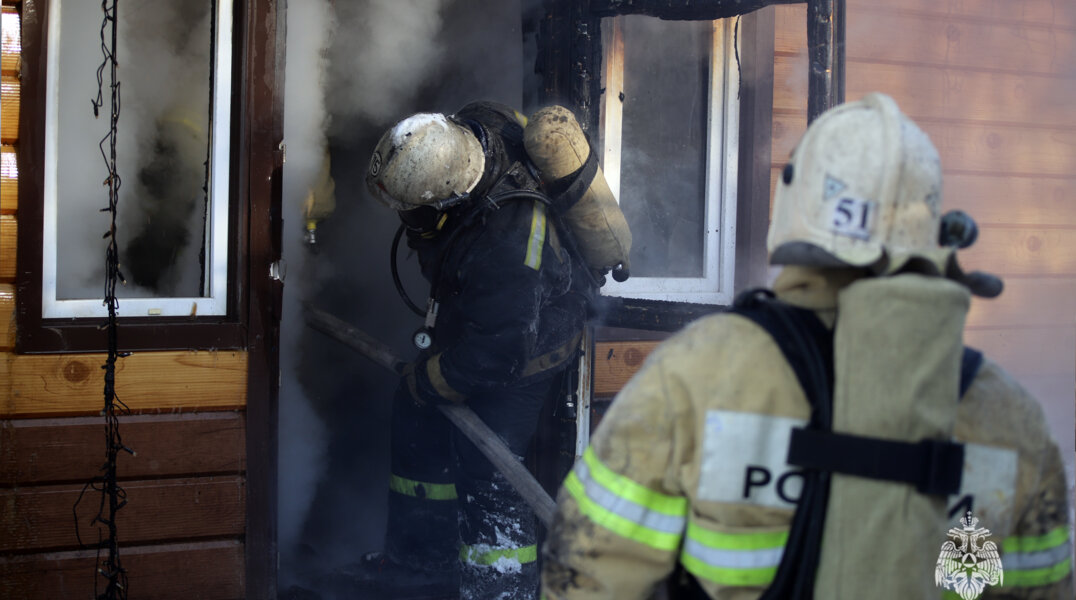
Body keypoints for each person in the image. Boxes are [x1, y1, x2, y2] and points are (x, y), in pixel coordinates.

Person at [540, 93, 1074, 600]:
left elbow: (585, 572)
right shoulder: (1009, 418)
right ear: (931, 225)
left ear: (797, 203)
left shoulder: (701, 370)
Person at [356, 101, 628, 599]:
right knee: (416, 416)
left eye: (417, 214)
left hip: (527, 348)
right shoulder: (478, 126)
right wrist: (424, 386)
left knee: (488, 465)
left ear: (449, 199)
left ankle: (498, 585)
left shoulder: (511, 247)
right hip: (483, 321)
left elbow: (500, 352)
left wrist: (431, 378)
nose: (409, 223)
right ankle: (421, 563)